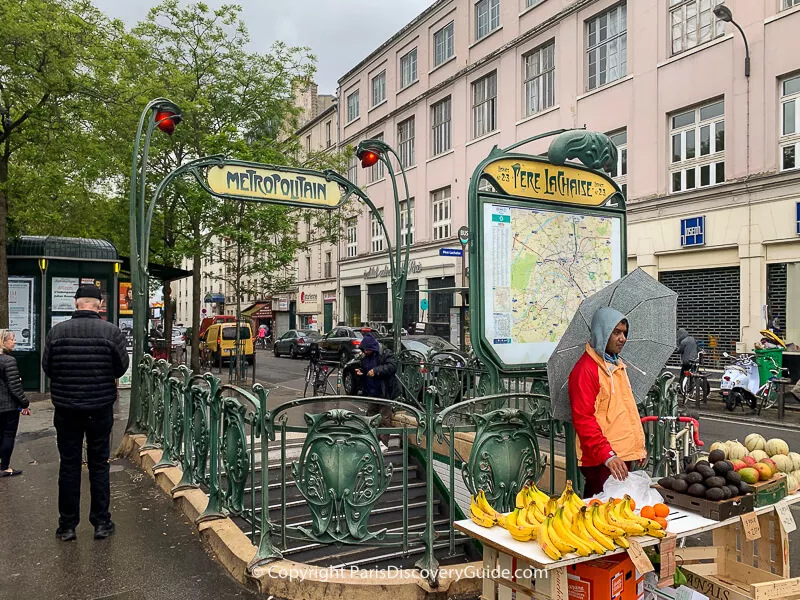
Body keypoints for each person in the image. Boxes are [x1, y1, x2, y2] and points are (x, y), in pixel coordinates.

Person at [43, 285, 129, 542]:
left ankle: (67, 526)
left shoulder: (57, 332)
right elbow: (121, 367)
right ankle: (101, 523)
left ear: (76, 302)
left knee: (69, 466)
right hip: (99, 408)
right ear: (99, 305)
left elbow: (48, 368)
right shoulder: (111, 332)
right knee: (99, 465)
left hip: (67, 409)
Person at [568, 307, 647, 498]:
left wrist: (637, 447)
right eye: (616, 332)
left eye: (624, 333)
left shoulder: (616, 366)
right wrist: (607, 455)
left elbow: (625, 410)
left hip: (619, 458)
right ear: (602, 333)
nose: (623, 338)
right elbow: (584, 419)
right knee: (600, 514)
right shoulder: (586, 370)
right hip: (603, 461)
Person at [353, 334, 401, 447]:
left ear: (372, 348)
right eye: (364, 349)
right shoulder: (365, 356)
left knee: (384, 418)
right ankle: (372, 441)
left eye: (367, 349)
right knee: (371, 417)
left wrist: (376, 371)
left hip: (385, 392)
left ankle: (383, 443)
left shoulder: (385, 353)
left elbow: (392, 366)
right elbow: (365, 369)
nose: (365, 351)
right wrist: (361, 372)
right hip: (371, 392)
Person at [0, 330, 30, 477]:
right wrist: (24, 403)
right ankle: (4, 467)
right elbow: (14, 387)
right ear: (3, 342)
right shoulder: (8, 361)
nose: (14, 342)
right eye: (12, 339)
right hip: (7, 406)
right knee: (7, 435)